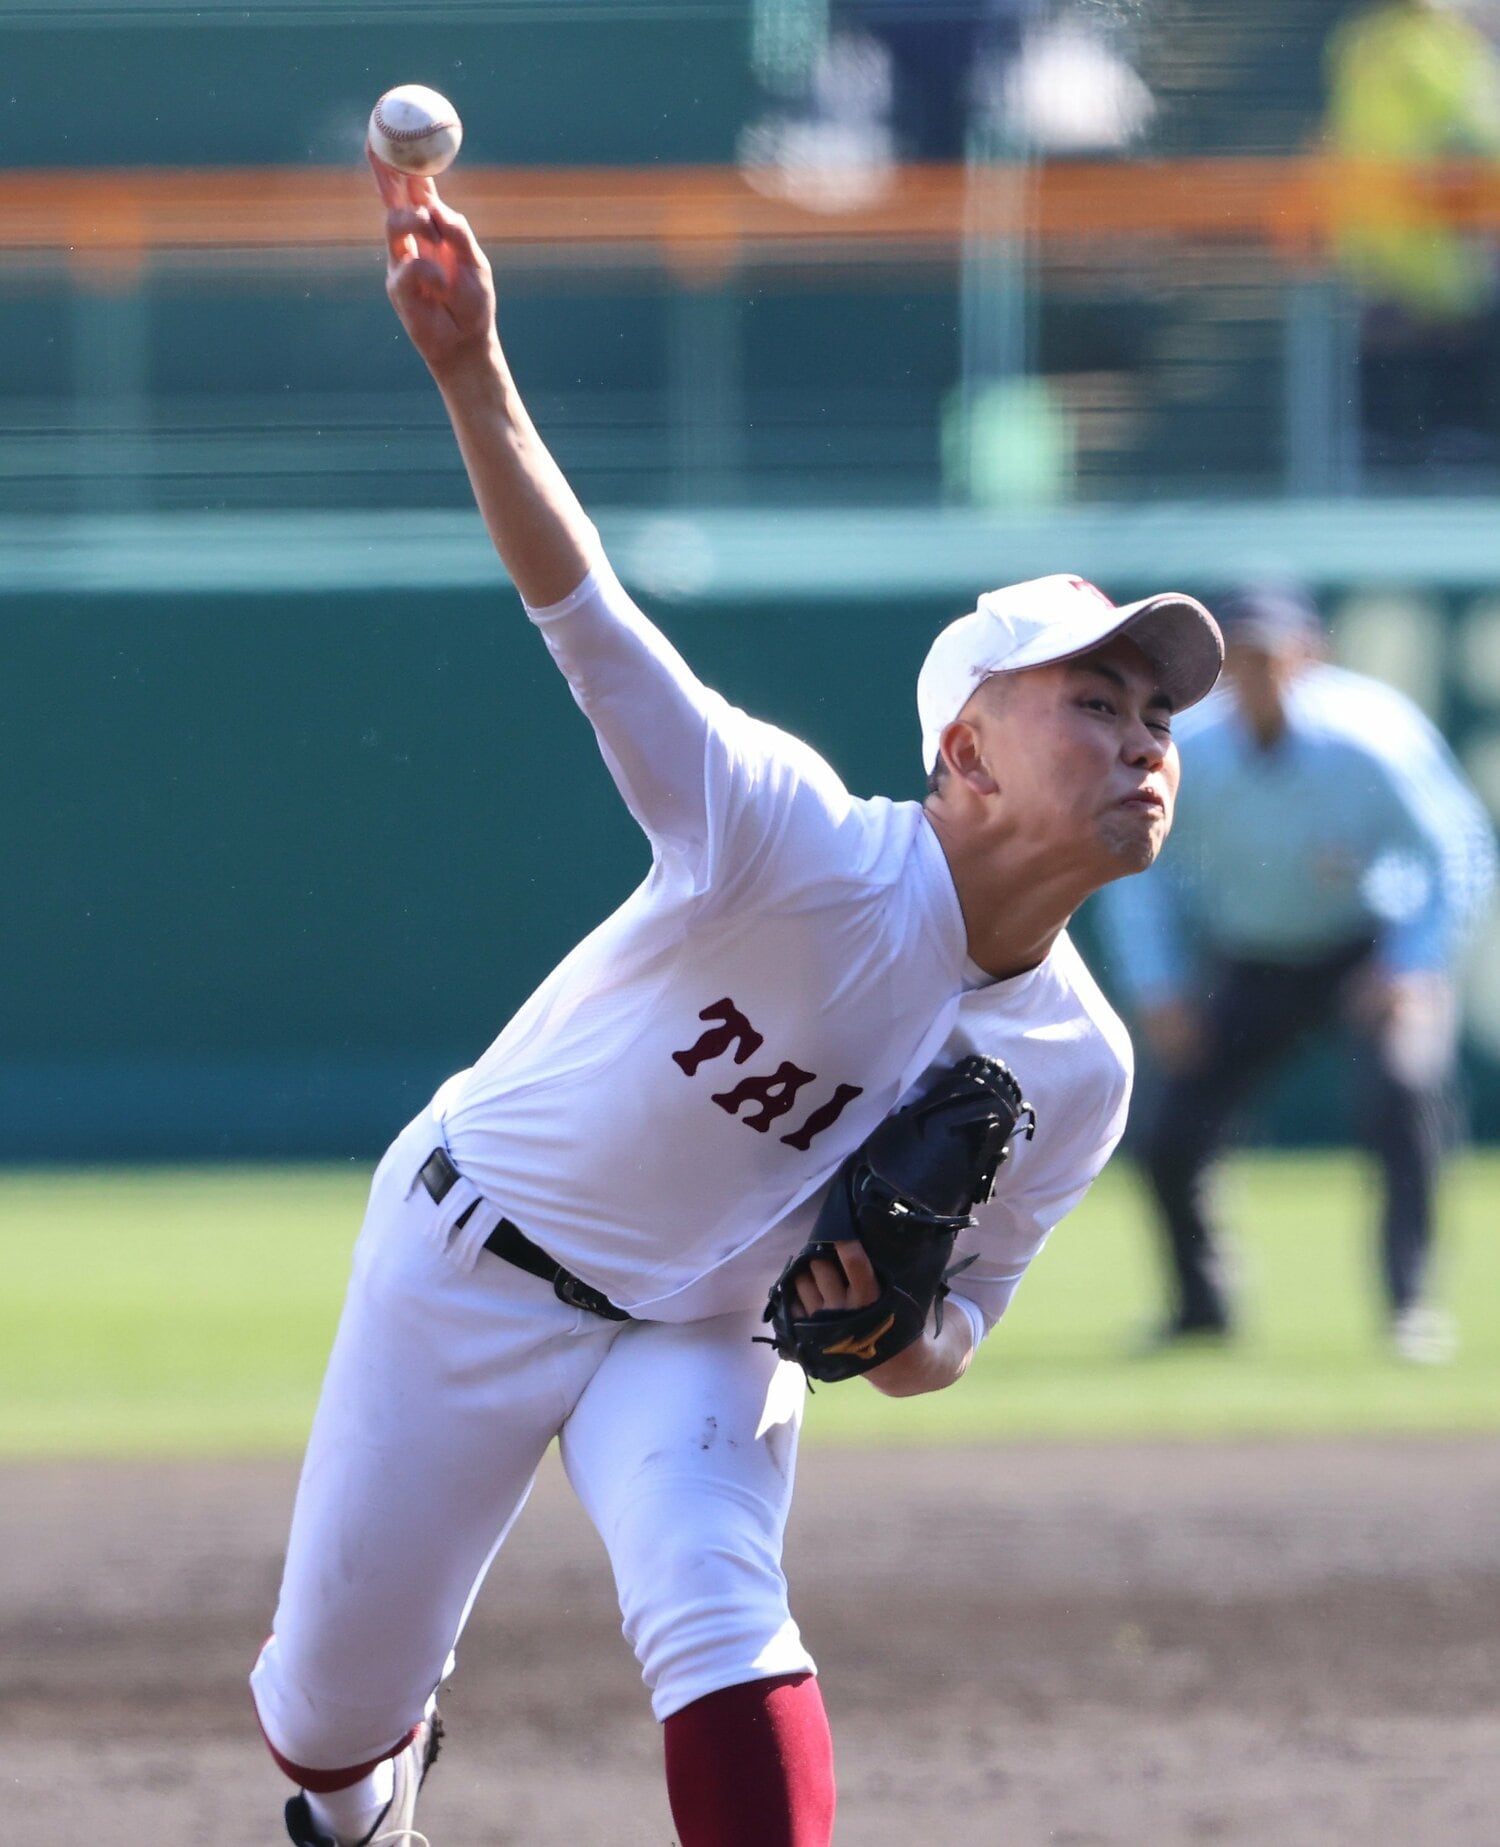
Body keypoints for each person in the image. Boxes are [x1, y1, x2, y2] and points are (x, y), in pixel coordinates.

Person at [250, 149, 1223, 1847]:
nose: (1146, 733)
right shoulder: (781, 836)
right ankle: (363, 1804)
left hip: (703, 1332)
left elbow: (944, 1345)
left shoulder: (1080, 1064)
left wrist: (887, 1321)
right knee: (328, 1713)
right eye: (1095, 697)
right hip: (474, 1254)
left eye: (1160, 711)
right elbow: (585, 612)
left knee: (717, 1610)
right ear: (966, 747)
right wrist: (472, 365)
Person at [1094, 583, 1495, 1361]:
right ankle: (1202, 1310)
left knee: (1408, 1089)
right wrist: (1161, 987)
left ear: (1307, 654)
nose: (1256, 672)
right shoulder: (1192, 749)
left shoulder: (1371, 734)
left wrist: (1412, 965)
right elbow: (1142, 867)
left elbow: (1460, 848)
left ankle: (1410, 1305)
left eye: (1270, 654)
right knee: (1173, 1132)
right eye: (1238, 656)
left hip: (1367, 948)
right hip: (1253, 955)